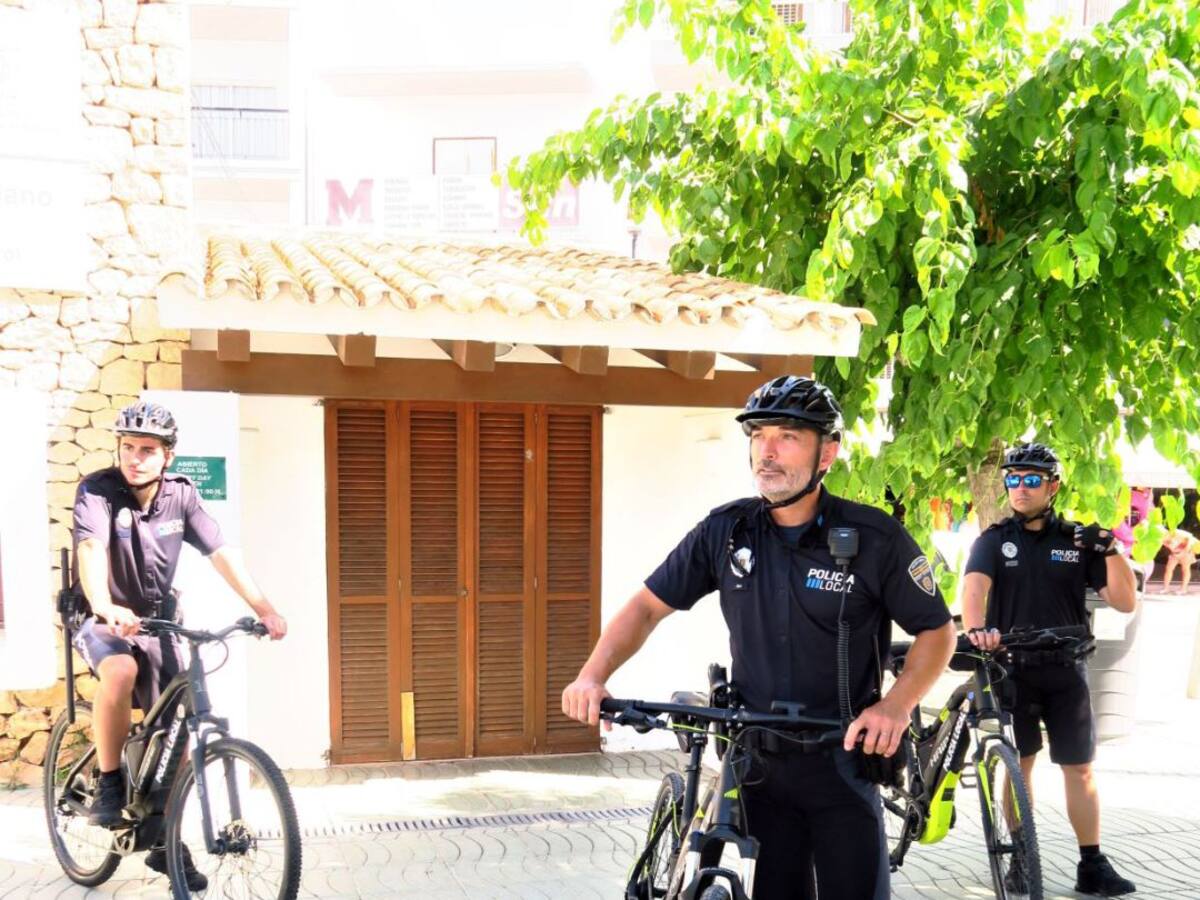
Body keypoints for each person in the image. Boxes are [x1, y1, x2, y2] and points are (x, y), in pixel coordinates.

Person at [561, 375, 956, 900]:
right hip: (758, 768)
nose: (766, 451)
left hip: (842, 761)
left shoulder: (874, 539)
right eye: (758, 435)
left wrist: (896, 706)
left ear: (827, 453)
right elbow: (646, 607)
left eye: (788, 436)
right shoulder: (726, 532)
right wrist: (593, 676)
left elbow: (937, 631)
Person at [71, 401, 287, 891]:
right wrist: (105, 606)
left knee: (182, 728)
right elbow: (90, 550)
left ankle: (164, 841)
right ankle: (108, 780)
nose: (135, 458)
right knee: (121, 675)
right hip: (104, 620)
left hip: (160, 623)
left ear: (168, 455)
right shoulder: (97, 492)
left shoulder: (181, 496)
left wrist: (265, 609)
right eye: (128, 447)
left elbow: (222, 553)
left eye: (147, 449)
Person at [962, 442, 1138, 896]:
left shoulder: (1077, 541)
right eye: (1013, 479)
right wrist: (978, 632)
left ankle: (1092, 863)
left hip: (1066, 670)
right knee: (1019, 767)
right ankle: (1021, 856)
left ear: (1053, 485)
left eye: (1031, 479)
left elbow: (1125, 600)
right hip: (1012, 670)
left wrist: (1112, 549)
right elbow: (974, 590)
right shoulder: (994, 540)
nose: (1020, 488)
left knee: (1079, 769)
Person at [1161, 527, 1198, 594]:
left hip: (1187, 551)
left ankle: (1183, 589)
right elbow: (1168, 546)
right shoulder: (1161, 539)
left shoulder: (1176, 532)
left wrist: (1185, 551)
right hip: (1175, 553)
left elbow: (1190, 539)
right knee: (1169, 568)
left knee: (1185, 569)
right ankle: (1165, 588)